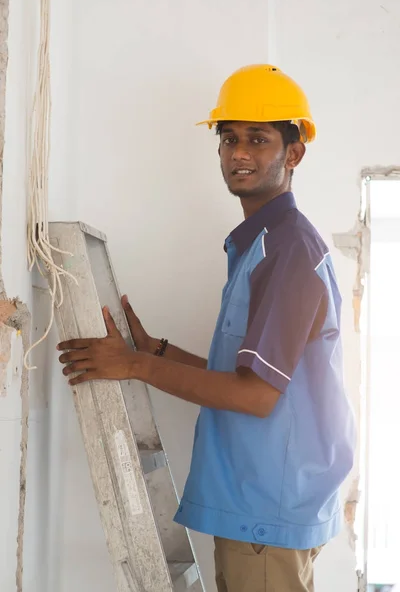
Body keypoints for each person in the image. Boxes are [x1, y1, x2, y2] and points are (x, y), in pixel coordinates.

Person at [58, 65, 356, 592]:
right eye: (229, 138)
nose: (239, 153)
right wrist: (158, 351)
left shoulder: (287, 249)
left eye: (258, 139)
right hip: (261, 503)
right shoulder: (263, 241)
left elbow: (258, 396)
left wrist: (134, 364)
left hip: (267, 508)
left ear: (294, 153)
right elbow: (249, 376)